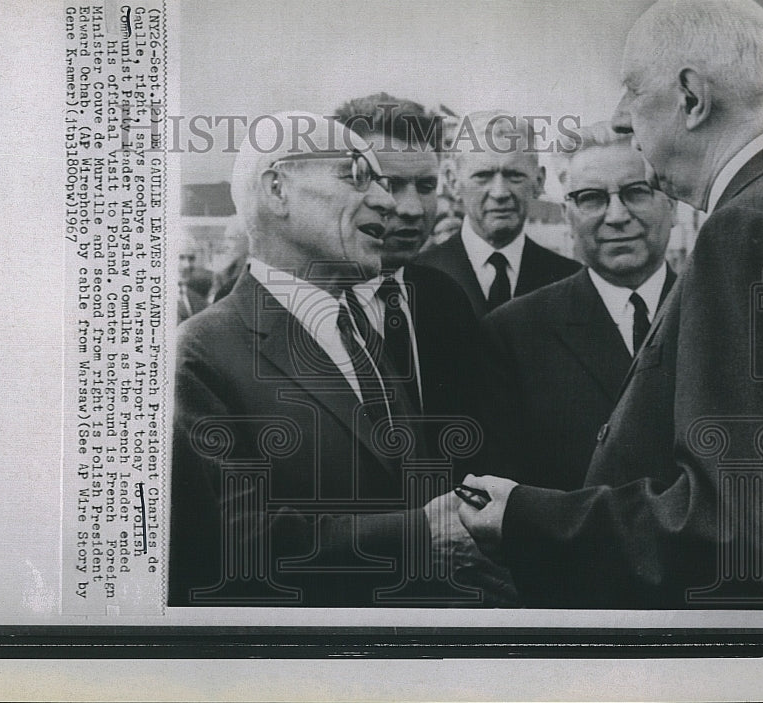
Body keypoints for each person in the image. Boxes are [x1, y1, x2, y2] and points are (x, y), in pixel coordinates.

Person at [431, 0, 763, 609]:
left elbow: (732, 525)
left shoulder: (745, 229)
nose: (621, 117)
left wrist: (521, 516)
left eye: (633, 90)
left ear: (691, 97)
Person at [170, 111, 510, 607]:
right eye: (357, 175)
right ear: (277, 189)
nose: (387, 201)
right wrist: (419, 537)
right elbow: (229, 542)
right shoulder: (199, 353)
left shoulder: (359, 333)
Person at [481, 122, 677, 491]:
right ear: (568, 215)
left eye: (636, 192)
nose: (617, 216)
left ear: (673, 205)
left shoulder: (716, 314)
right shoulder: (514, 334)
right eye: (591, 198)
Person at [332, 94, 492, 464]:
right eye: (390, 185)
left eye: (425, 187)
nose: (412, 209)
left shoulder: (446, 298)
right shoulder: (304, 305)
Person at [413, 111, 580, 317]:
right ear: (453, 181)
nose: (500, 192)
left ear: (538, 181)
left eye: (514, 175)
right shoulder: (416, 277)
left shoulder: (570, 280)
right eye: (483, 176)